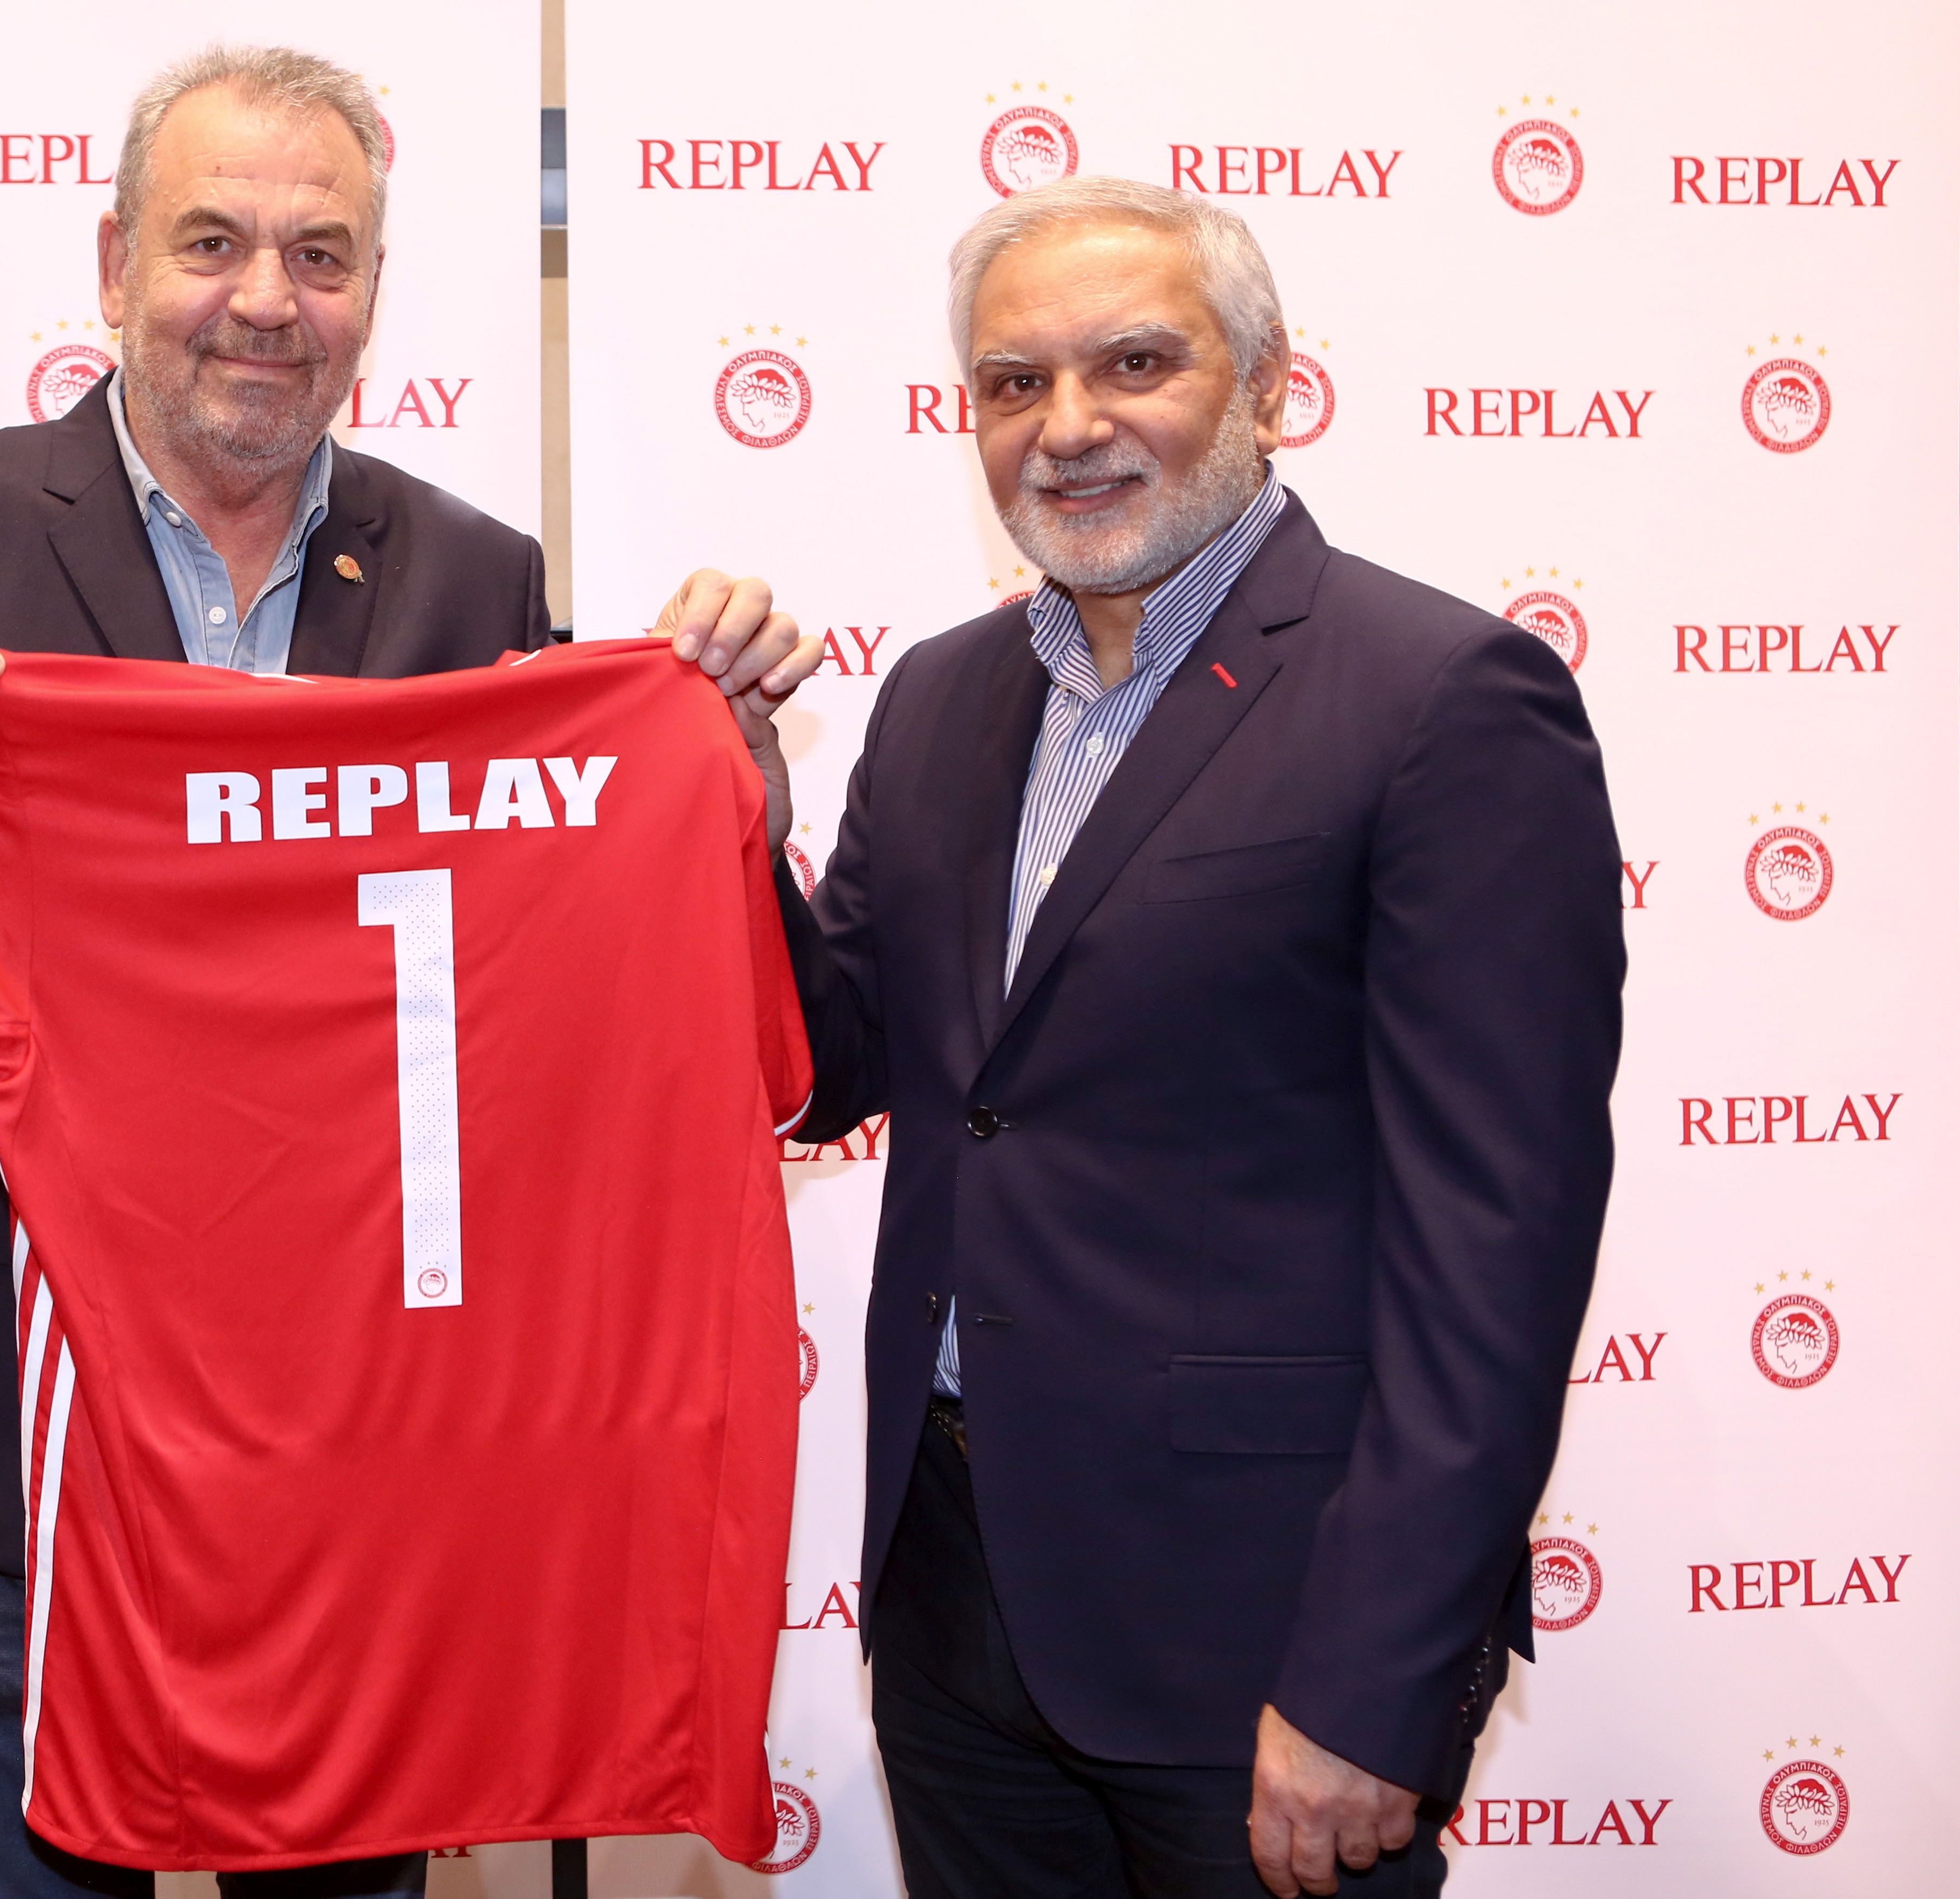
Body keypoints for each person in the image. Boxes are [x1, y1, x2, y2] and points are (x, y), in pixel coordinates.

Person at [0, 44, 799, 1898]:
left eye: (320, 255)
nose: (266, 299)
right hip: (23, 1464)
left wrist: (720, 785)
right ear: (114, 263)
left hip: (363, 1464)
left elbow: (572, 1010)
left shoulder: (475, 579)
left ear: (372, 294)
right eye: (211, 242)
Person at [662, 177, 1623, 1897]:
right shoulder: (939, 696)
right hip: (953, 1600)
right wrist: (739, 821)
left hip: (1263, 1635)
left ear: (1268, 386)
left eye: (1133, 363)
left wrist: (1375, 1680)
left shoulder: (1441, 697)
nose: (1068, 425)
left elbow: (1498, 1248)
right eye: (1012, 381)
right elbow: (830, 1066)